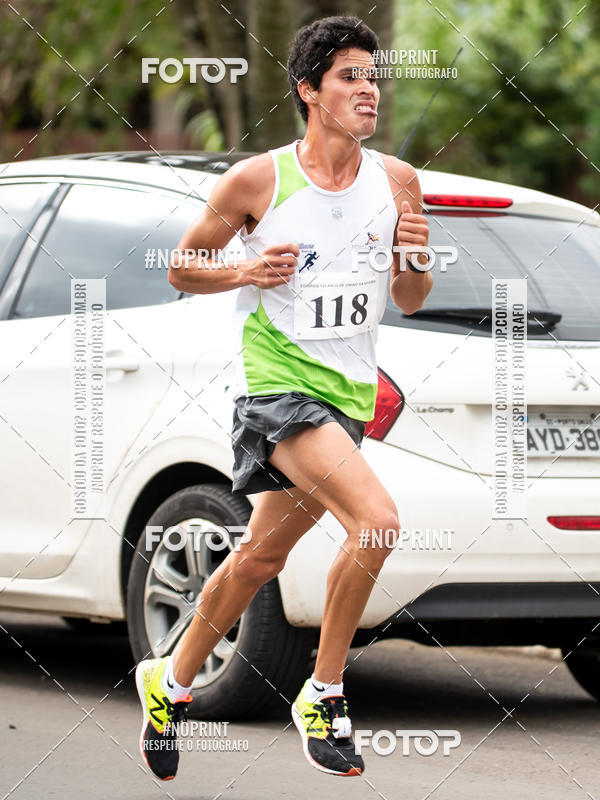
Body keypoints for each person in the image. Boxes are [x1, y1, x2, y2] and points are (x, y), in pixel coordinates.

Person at [135, 14, 433, 781]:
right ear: (309, 90)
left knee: (261, 556)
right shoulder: (258, 181)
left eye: (373, 76)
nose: (368, 90)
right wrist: (245, 272)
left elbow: (411, 296)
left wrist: (415, 256)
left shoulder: (397, 180)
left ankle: (167, 682)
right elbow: (182, 266)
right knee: (378, 523)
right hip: (278, 386)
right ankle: (324, 693)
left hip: (349, 394)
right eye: (350, 77)